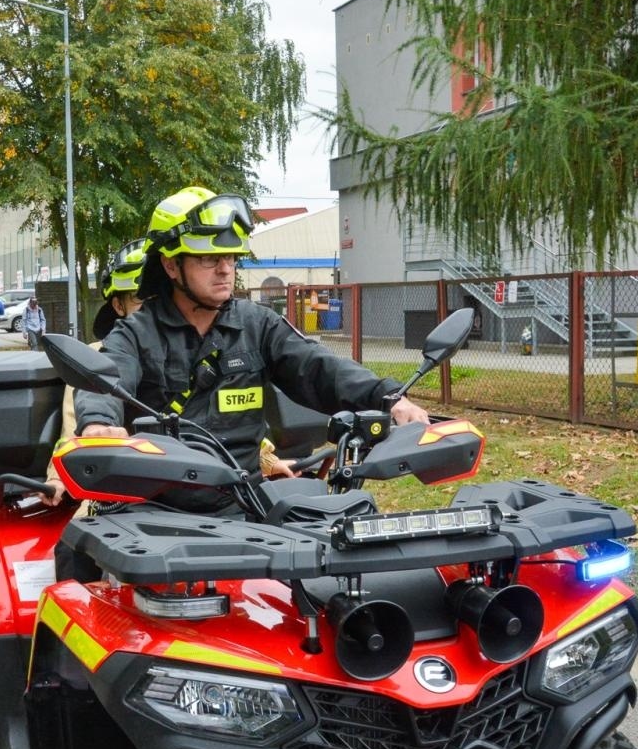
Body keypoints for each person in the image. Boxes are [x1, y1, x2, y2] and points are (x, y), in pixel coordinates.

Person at [74, 186, 430, 511]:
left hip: (245, 509)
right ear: (171, 265)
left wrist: (388, 398)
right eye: (209, 259)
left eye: (231, 257)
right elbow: (105, 379)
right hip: (155, 513)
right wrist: (98, 424)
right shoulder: (135, 333)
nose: (225, 270)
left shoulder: (257, 325)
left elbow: (318, 368)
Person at [40, 238, 147, 507]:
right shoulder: (94, 358)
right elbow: (73, 432)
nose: (151, 309)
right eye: (139, 298)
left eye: (158, 298)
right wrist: (58, 478)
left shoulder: (203, 349)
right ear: (118, 306)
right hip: (118, 494)